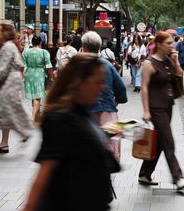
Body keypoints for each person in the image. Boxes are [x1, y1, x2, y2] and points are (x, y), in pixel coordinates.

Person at [23, 53, 120, 211]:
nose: (102, 87)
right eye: (98, 82)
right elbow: (44, 175)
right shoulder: (59, 120)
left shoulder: (83, 112)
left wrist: (107, 133)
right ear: (79, 83)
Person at [138, 32, 184, 189]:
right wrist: (146, 110)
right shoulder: (149, 63)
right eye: (168, 43)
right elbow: (144, 88)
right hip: (155, 107)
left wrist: (175, 61)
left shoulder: (168, 60)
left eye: (172, 43)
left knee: (160, 141)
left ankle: (144, 174)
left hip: (168, 105)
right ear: (159, 44)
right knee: (168, 141)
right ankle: (177, 177)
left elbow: (179, 75)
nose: (171, 46)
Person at [82, 32, 127, 162]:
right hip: (108, 111)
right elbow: (121, 90)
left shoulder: (79, 65)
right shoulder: (107, 65)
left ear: (84, 47)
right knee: (111, 147)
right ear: (99, 47)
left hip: (86, 113)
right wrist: (114, 103)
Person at [0, 21, 32, 153]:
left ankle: (22, 133)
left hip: (9, 81)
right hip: (12, 80)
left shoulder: (7, 47)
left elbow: (2, 67)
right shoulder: (10, 45)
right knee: (7, 110)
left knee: (5, 109)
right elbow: (19, 64)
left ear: (4, 32)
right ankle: (6, 142)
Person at [22, 36, 52, 124]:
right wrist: (51, 77)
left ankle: (37, 117)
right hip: (39, 74)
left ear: (32, 42)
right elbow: (48, 66)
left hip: (29, 74)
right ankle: (33, 116)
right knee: (37, 96)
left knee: (33, 95)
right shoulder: (44, 52)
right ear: (40, 43)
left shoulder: (26, 52)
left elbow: (23, 65)